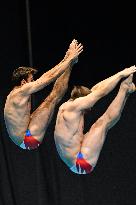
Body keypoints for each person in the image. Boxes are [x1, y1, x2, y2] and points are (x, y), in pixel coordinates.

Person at [54, 66, 136, 174]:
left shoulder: (69, 105)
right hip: (81, 163)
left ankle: (126, 92)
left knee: (101, 124)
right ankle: (125, 88)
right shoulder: (76, 106)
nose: (90, 109)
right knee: (103, 123)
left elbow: (97, 89)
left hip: (73, 159)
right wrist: (121, 74)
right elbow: (101, 93)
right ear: (83, 100)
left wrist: (118, 74)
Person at [4, 39, 83, 150]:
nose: (33, 82)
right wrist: (69, 59)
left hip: (25, 131)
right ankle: (71, 63)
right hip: (27, 139)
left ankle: (70, 63)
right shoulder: (21, 91)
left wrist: (67, 57)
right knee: (53, 98)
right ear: (23, 82)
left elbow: (48, 75)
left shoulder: (14, 94)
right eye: (31, 79)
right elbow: (48, 78)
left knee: (52, 97)